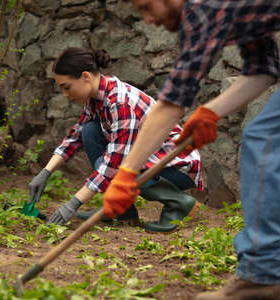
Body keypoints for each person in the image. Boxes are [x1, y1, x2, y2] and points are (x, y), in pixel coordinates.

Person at [102, 0, 280, 299]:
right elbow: (263, 70)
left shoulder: (204, 6)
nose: (147, 19)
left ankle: (261, 276)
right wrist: (210, 111)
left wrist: (127, 173)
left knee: (266, 139)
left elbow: (171, 104)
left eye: (146, 7)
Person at [28, 47, 203, 233]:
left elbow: (114, 164)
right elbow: (75, 137)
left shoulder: (121, 104)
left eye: (66, 87)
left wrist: (73, 203)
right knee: (89, 131)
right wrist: (46, 172)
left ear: (85, 77)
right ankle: (123, 212)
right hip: (149, 159)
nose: (65, 94)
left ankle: (180, 204)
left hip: (176, 165)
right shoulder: (96, 98)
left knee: (112, 164)